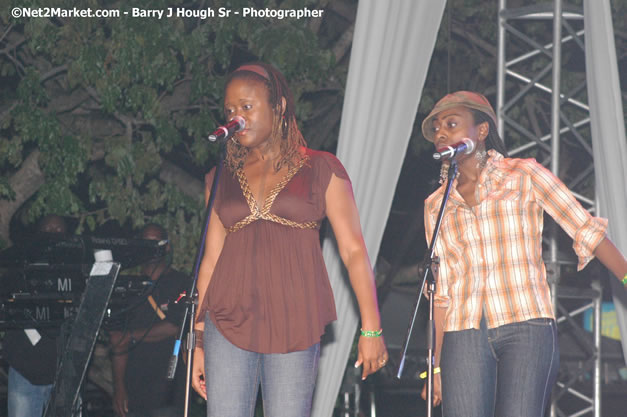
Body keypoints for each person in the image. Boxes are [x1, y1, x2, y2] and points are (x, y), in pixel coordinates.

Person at [190, 62, 388, 417]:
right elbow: (211, 260)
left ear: (279, 107)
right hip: (227, 320)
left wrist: (371, 328)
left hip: (294, 319)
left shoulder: (321, 167)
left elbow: (353, 250)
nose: (237, 116)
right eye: (230, 110)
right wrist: (198, 340)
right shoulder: (219, 178)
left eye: (247, 107)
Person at [419, 91, 627, 417]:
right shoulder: (436, 205)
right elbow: (441, 294)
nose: (441, 132)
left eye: (451, 123)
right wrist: (436, 366)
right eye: (437, 129)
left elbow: (586, 229)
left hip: (525, 324)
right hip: (463, 332)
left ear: (482, 130)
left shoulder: (524, 175)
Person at [108, 223, 189, 417]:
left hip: (169, 390)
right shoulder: (125, 287)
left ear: (167, 246)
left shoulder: (183, 282)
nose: (152, 247)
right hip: (135, 388)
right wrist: (118, 387)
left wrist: (130, 336)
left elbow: (174, 326)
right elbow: (117, 340)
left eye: (157, 242)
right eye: (146, 242)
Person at [3, 214, 68, 417]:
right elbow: (9, 306)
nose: (53, 235)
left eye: (59, 231)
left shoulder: (72, 272)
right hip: (25, 372)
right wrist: (35, 335)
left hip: (63, 374)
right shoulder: (20, 266)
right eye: (48, 230)